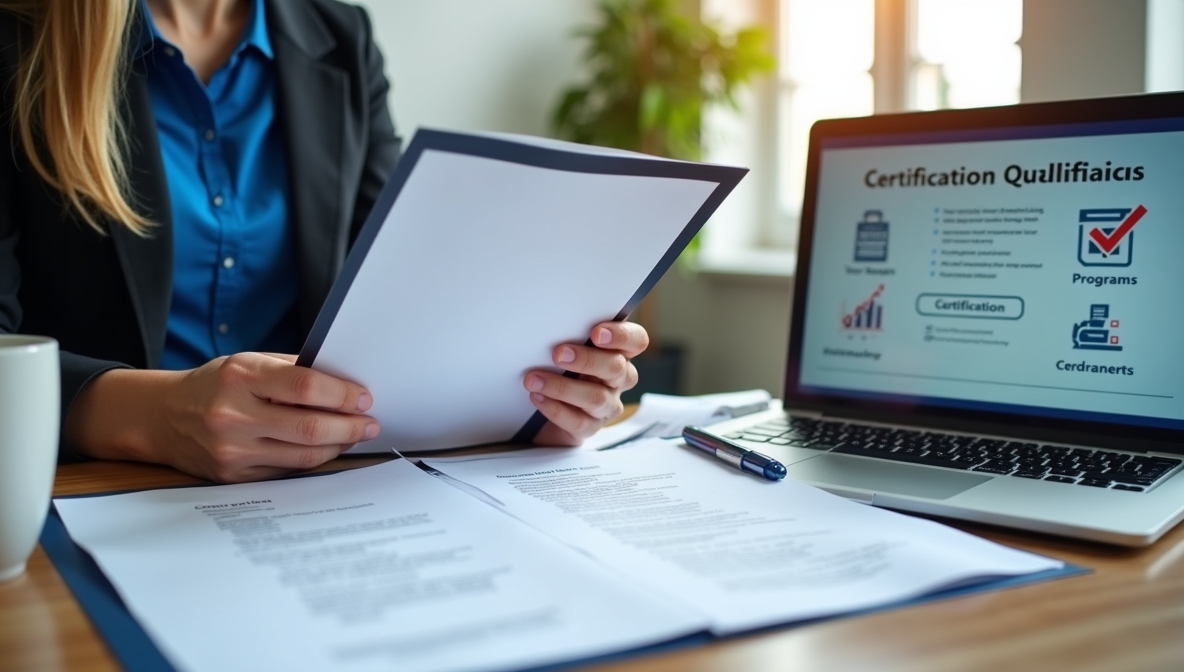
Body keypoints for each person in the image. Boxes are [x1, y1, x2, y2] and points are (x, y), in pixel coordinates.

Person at [0, 0, 649, 483]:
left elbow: (402, 294)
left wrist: (526, 401)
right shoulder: (19, 38)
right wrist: (155, 416)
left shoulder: (339, 36)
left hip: (324, 485)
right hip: (90, 491)